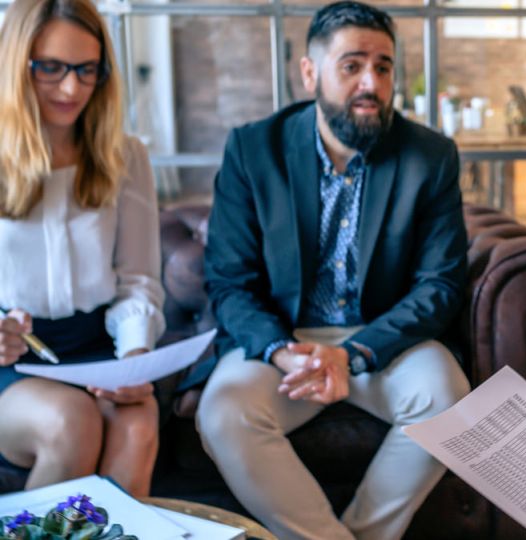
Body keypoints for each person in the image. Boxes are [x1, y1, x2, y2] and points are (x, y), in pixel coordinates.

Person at [196, 2, 471, 539]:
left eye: (384, 66)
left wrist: (353, 352)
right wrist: (280, 349)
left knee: (448, 398)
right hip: (285, 344)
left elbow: (439, 284)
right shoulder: (254, 150)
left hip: (380, 340)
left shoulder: (429, 156)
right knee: (224, 413)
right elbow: (230, 282)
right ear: (309, 72)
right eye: (352, 65)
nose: (371, 82)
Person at [0, 0, 165, 498]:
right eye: (50, 67)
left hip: (100, 350)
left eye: (86, 70)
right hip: (11, 362)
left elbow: (137, 281)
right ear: (16, 63)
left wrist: (135, 358)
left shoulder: (126, 155)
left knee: (136, 426)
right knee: (72, 421)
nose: (71, 88)